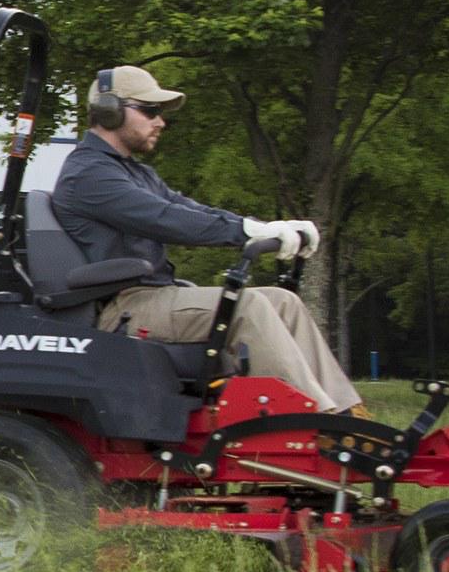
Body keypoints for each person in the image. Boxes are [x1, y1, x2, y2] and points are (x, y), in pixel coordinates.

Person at [47, 64, 363, 413]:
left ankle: (349, 414)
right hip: (124, 307)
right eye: (150, 110)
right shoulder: (90, 175)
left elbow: (188, 208)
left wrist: (262, 226)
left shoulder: (135, 172)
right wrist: (248, 233)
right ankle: (315, 421)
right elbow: (168, 219)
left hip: (155, 297)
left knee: (281, 301)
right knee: (248, 306)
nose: (160, 121)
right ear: (110, 111)